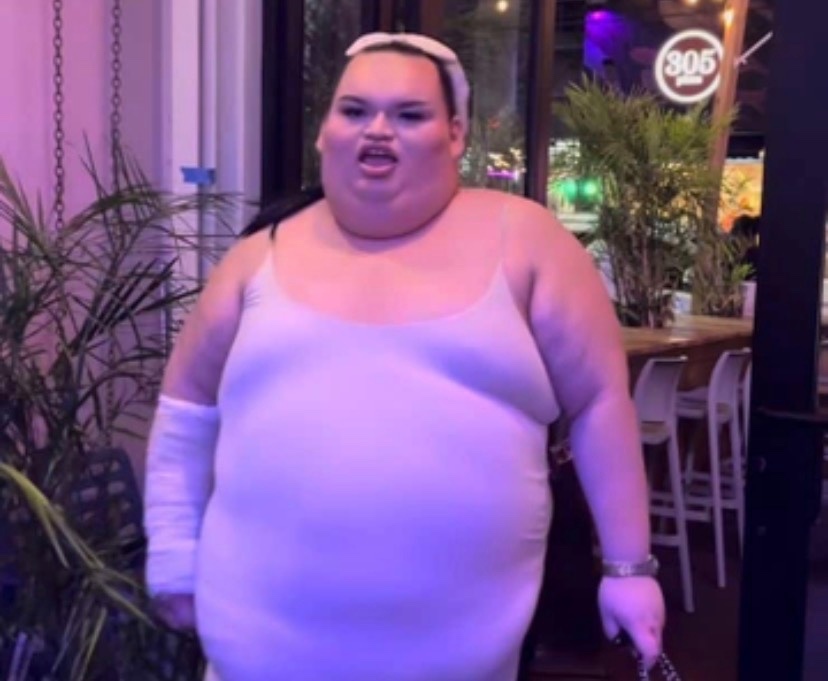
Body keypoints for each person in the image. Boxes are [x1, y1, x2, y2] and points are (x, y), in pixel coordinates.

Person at [144, 32, 664, 681]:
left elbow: (599, 403)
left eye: (409, 114)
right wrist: (173, 552)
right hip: (257, 649)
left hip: (461, 654)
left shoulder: (527, 241)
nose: (377, 130)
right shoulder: (257, 256)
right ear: (324, 132)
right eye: (354, 110)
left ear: (455, 133)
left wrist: (629, 566)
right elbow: (186, 408)